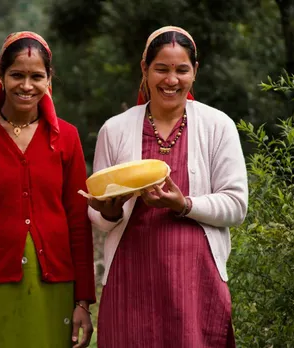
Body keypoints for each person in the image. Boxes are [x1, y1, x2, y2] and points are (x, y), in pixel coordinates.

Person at [88, 26, 248, 347]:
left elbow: (236, 206)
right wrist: (110, 208)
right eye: (161, 68)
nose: (171, 80)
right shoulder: (115, 130)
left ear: (195, 73)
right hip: (129, 280)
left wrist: (183, 204)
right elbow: (102, 217)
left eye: (181, 70)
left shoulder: (218, 126)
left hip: (196, 282)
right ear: (144, 70)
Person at [0, 31, 96, 348]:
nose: (26, 86)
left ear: (49, 79)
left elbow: (78, 223)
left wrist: (83, 301)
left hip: (55, 285)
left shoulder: (66, 138)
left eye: (36, 76)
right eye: (17, 75)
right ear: (0, 76)